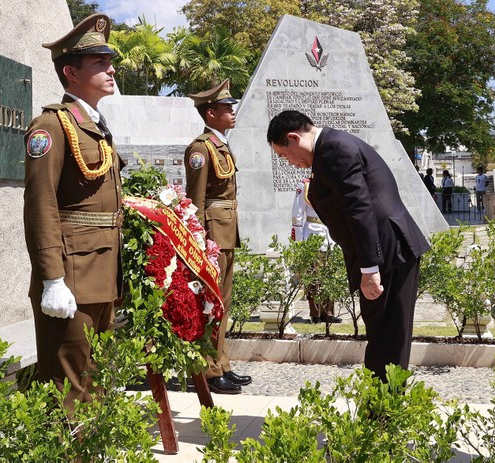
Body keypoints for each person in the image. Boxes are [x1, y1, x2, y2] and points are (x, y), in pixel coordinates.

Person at [267, 110, 430, 381]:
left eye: (285, 155)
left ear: (293, 138)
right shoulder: (331, 147)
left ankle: (382, 405)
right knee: (387, 337)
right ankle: (383, 401)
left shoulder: (333, 149)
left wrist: (369, 268)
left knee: (387, 339)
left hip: (387, 253)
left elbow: (359, 208)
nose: (290, 163)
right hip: (388, 249)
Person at [23, 13, 123, 411]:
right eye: (99, 62)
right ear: (71, 71)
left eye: (109, 61)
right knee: (68, 391)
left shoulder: (94, 125)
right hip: (73, 276)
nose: (111, 69)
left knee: (94, 385)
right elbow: (40, 202)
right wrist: (52, 278)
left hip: (102, 274)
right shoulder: (52, 125)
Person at [184, 79, 252, 395]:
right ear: (211, 113)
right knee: (210, 303)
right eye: (226, 107)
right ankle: (208, 370)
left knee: (222, 303)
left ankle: (221, 363)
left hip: (226, 231)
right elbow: (195, 199)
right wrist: (198, 241)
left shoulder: (220, 145)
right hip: (212, 234)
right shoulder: (201, 149)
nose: (232, 111)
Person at [291, 177, 342, 324]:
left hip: (331, 235)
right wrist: (299, 242)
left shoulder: (334, 183)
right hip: (313, 234)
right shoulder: (305, 185)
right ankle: (315, 314)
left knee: (330, 275)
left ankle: (329, 313)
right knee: (313, 277)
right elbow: (297, 214)